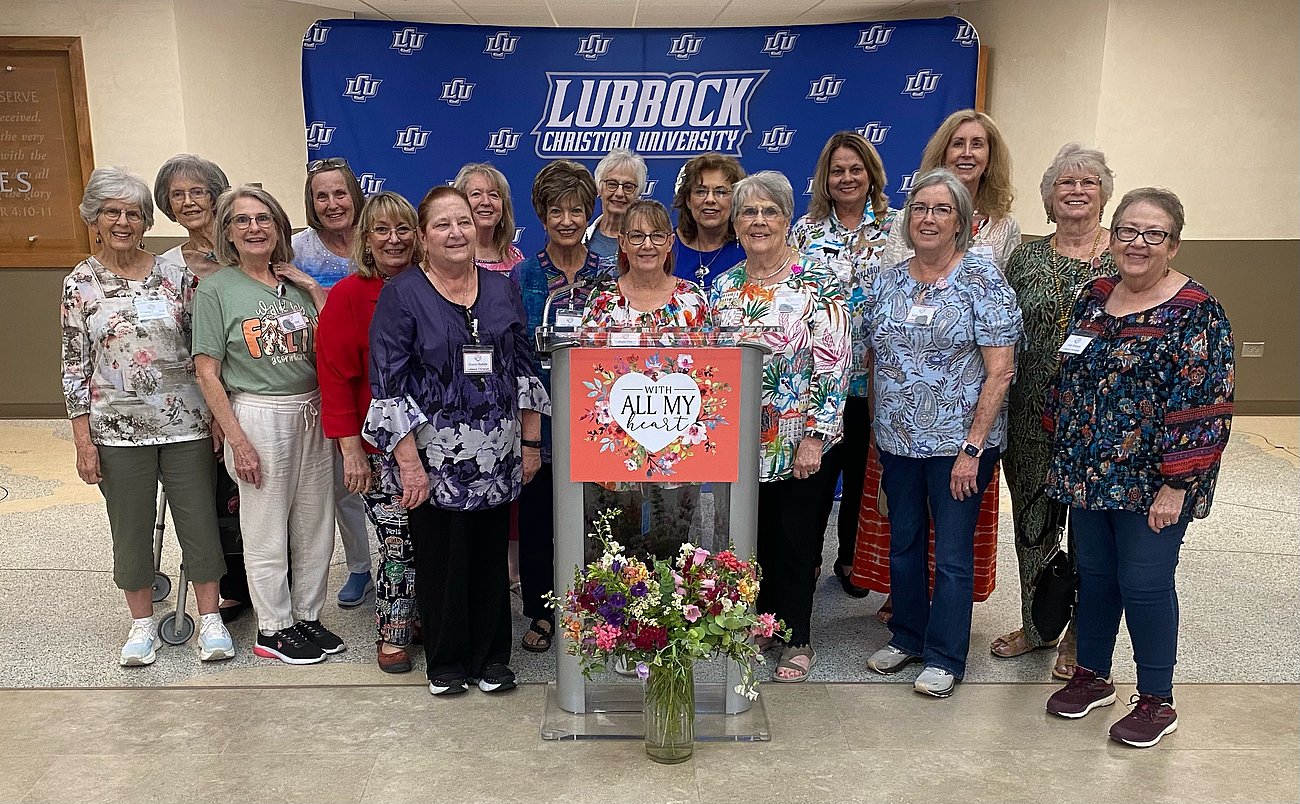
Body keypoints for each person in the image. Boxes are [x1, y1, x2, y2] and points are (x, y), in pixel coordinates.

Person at [1043, 187, 1234, 747]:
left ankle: (1156, 700)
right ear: (1114, 234)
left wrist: (1178, 484)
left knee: (1145, 584)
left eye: (1153, 234)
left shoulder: (1197, 312)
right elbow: (1070, 376)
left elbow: (1206, 403)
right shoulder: (1093, 294)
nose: (1138, 244)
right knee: (1096, 579)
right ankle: (1093, 675)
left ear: (1172, 245)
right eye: (1128, 230)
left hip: (1156, 483)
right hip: (1087, 473)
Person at [366, 186, 549, 696]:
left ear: (477, 228)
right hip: (433, 459)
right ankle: (446, 663)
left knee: (490, 560)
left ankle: (491, 658)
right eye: (442, 224)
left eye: (463, 221)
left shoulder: (500, 288)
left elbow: (522, 367)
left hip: (497, 454)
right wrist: (409, 465)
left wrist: (530, 444)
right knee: (442, 559)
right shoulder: (402, 293)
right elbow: (388, 383)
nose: (455, 232)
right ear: (423, 237)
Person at [62, 166, 232, 666]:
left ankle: (211, 620)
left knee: (199, 520)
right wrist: (82, 441)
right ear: (94, 219)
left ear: (144, 221)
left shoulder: (176, 277)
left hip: (186, 425)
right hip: (115, 430)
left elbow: (203, 353)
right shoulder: (80, 283)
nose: (123, 221)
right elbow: (74, 365)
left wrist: (218, 418)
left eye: (133, 213)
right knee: (130, 527)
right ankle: (140, 627)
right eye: (112, 212)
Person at [864, 169, 1022, 699]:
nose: (928, 218)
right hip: (898, 442)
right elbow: (874, 356)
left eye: (941, 209)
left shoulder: (980, 277)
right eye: (919, 209)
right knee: (904, 543)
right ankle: (907, 634)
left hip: (959, 445)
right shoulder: (889, 278)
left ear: (961, 222)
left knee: (952, 553)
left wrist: (973, 450)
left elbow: (1000, 369)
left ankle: (945, 655)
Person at [708, 171, 850, 684]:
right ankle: (760, 624)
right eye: (749, 212)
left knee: (796, 542)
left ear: (788, 220)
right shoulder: (722, 289)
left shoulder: (820, 280)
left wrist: (816, 434)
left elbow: (835, 362)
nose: (759, 221)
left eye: (770, 212)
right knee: (752, 538)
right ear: (735, 223)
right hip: (741, 443)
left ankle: (797, 637)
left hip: (799, 439)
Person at [192, 185, 343, 665]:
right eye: (243, 221)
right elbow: (206, 372)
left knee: (315, 522)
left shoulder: (296, 286)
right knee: (264, 526)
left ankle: (307, 616)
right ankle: (274, 627)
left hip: (312, 409)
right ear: (228, 233)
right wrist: (236, 439)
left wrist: (315, 289)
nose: (254, 228)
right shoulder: (217, 289)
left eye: (264, 219)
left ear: (279, 227)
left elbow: (333, 346)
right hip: (259, 413)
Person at [992, 143, 1117, 679]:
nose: (1076, 189)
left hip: (1102, 422)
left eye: (1088, 182)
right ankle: (1038, 625)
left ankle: (1077, 636)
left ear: (1104, 196)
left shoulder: (1125, 256)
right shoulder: (1024, 257)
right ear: (1048, 200)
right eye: (1064, 182)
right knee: (1033, 525)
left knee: (1091, 532)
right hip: (1029, 416)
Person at [510, 160, 615, 654]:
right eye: (557, 211)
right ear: (541, 215)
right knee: (537, 524)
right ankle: (541, 612)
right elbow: (518, 360)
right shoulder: (522, 276)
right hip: (542, 423)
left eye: (577, 210)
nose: (568, 220)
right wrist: (530, 437)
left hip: (601, 424)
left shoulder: (609, 276)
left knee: (599, 523)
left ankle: (599, 612)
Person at [317, 192, 422, 674]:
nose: (394, 239)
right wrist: (351, 450)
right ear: (366, 238)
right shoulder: (348, 296)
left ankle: (430, 617)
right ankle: (395, 629)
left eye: (403, 228)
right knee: (397, 541)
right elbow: (335, 378)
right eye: (382, 230)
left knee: (436, 540)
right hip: (378, 446)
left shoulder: (438, 287)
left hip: (442, 443)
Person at [789, 131, 896, 597]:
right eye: (838, 171)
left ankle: (851, 560)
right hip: (817, 380)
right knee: (815, 477)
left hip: (876, 379)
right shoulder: (805, 232)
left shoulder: (898, 229)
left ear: (871, 174)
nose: (847, 177)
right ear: (825, 179)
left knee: (862, 475)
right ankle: (806, 559)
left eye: (856, 169)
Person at [579, 199, 709, 556]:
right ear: (622, 242)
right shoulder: (602, 301)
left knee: (672, 543)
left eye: (656, 236)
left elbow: (709, 374)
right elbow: (587, 375)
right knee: (615, 547)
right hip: (614, 442)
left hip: (678, 441)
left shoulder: (692, 300)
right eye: (636, 236)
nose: (646, 245)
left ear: (670, 242)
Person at [153, 153, 250, 624]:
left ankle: (274, 579)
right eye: (178, 195)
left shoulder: (243, 252)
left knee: (261, 486)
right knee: (215, 497)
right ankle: (232, 585)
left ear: (217, 196)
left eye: (198, 191)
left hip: (251, 389)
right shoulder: (165, 267)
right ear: (167, 206)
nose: (189, 202)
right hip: (194, 398)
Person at [291, 157, 374, 609]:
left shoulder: (377, 236)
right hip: (323, 380)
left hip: (378, 380)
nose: (332, 203)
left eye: (340, 193)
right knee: (346, 482)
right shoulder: (297, 250)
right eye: (321, 196)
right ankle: (360, 566)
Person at [671, 152, 747, 287]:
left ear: (736, 200)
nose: (710, 199)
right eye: (700, 191)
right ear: (688, 200)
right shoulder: (665, 247)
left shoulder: (749, 248)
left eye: (721, 192)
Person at [453, 162, 525, 274]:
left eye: (493, 195)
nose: (486, 202)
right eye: (476, 194)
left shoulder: (515, 256)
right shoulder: (451, 256)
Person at [584, 148, 648, 259]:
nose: (619, 193)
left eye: (628, 187)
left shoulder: (647, 244)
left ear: (638, 195)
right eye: (612, 184)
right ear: (599, 189)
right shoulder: (581, 239)